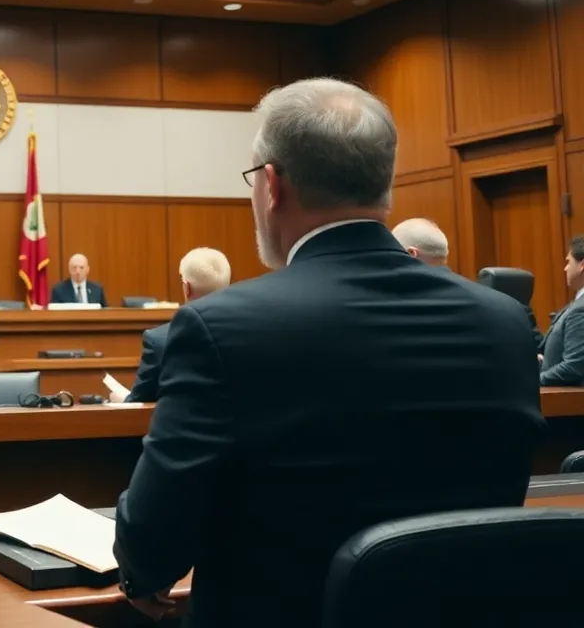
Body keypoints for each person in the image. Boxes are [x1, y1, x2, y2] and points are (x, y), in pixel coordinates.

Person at [113, 78, 544, 627]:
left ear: (271, 185)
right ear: (383, 185)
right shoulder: (504, 322)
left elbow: (153, 543)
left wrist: (142, 573)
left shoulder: (221, 326)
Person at [111, 248, 230, 404]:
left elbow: (140, 401)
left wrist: (123, 401)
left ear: (186, 288)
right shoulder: (249, 333)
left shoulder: (160, 340)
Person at [540, 236, 584, 386]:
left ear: (581, 265)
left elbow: (574, 367)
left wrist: (535, 381)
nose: (565, 268)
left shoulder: (581, 309)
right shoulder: (578, 304)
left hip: (568, 405)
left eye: (568, 262)